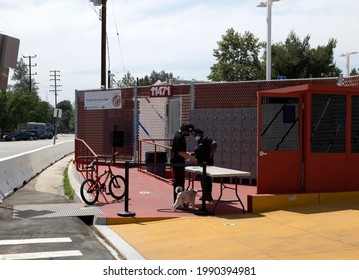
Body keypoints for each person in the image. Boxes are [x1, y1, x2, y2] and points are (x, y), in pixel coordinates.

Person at [171, 123, 197, 203]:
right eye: (189, 132)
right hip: (178, 162)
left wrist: (188, 154)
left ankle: (179, 201)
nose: (189, 134)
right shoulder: (180, 138)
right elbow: (180, 152)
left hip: (177, 162)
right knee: (179, 183)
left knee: (179, 182)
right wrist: (191, 158)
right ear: (185, 130)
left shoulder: (178, 135)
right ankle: (178, 202)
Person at [192, 128, 217, 201]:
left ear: (199, 134)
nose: (194, 136)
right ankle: (204, 195)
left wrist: (211, 153)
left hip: (207, 163)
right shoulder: (199, 141)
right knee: (202, 179)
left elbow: (214, 143)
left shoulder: (205, 139)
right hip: (201, 163)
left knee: (207, 179)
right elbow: (200, 149)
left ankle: (208, 196)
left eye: (195, 134)